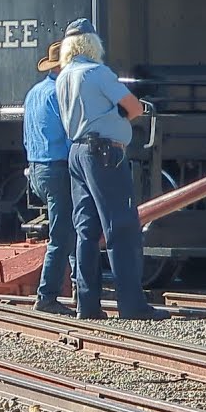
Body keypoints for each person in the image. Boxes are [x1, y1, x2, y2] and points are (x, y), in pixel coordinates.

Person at [55, 19, 169, 321]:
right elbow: (134, 107)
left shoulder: (63, 76)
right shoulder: (98, 72)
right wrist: (117, 116)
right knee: (122, 227)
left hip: (77, 153)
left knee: (86, 230)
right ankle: (132, 305)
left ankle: (87, 305)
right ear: (93, 44)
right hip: (105, 153)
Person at [22, 41, 75, 316]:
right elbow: (69, 135)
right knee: (62, 235)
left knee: (67, 228)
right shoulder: (60, 93)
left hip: (37, 167)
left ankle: (76, 285)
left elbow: (26, 136)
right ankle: (47, 295)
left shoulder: (34, 93)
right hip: (57, 167)